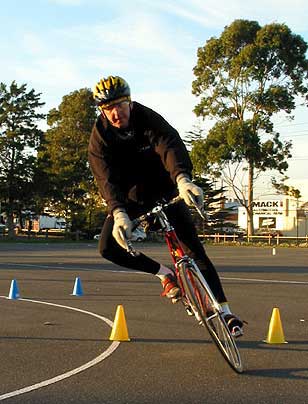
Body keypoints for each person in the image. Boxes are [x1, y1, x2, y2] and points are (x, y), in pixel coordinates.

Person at [88, 75, 244, 337]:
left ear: (129, 101)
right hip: (131, 199)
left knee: (194, 251)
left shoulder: (147, 118)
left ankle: (226, 311)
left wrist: (183, 179)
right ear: (102, 110)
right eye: (108, 108)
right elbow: (105, 177)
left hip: (165, 189)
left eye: (120, 105)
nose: (115, 113)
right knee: (107, 248)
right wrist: (118, 212)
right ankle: (164, 274)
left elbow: (169, 146)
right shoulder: (99, 138)